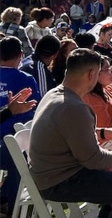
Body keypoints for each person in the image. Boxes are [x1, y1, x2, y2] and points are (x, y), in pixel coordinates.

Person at [29, 49, 112, 218]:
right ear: (92, 74)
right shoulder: (75, 107)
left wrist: (104, 133)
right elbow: (94, 160)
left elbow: (71, 132)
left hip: (49, 175)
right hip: (59, 181)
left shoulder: (54, 94)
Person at [0, 37, 41, 208]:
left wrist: (10, 111)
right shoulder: (25, 78)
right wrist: (11, 111)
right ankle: (9, 203)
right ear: (20, 55)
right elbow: (37, 108)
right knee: (21, 158)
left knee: (19, 155)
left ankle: (6, 201)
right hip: (12, 140)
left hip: (11, 141)